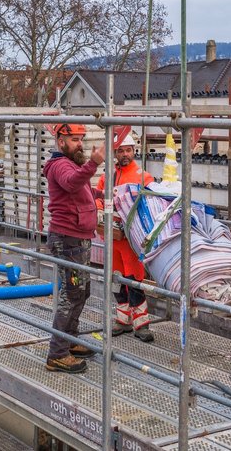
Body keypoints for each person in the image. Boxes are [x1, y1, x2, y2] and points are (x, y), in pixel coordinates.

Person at [43, 123, 105, 373]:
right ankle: (57, 354)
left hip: (78, 238)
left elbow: (80, 189)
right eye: (75, 140)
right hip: (67, 239)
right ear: (61, 142)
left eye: (81, 138)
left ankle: (70, 340)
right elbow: (70, 184)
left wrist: (98, 196)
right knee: (70, 296)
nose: (80, 143)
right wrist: (93, 164)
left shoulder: (72, 164)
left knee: (81, 291)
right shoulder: (60, 165)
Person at [95, 133, 156, 342]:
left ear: (134, 151)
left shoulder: (143, 177)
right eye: (120, 151)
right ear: (115, 153)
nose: (124, 154)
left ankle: (142, 324)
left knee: (135, 281)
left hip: (131, 241)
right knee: (116, 280)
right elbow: (98, 198)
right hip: (112, 239)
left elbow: (150, 207)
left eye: (128, 150)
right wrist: (99, 211)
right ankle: (123, 320)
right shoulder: (107, 176)